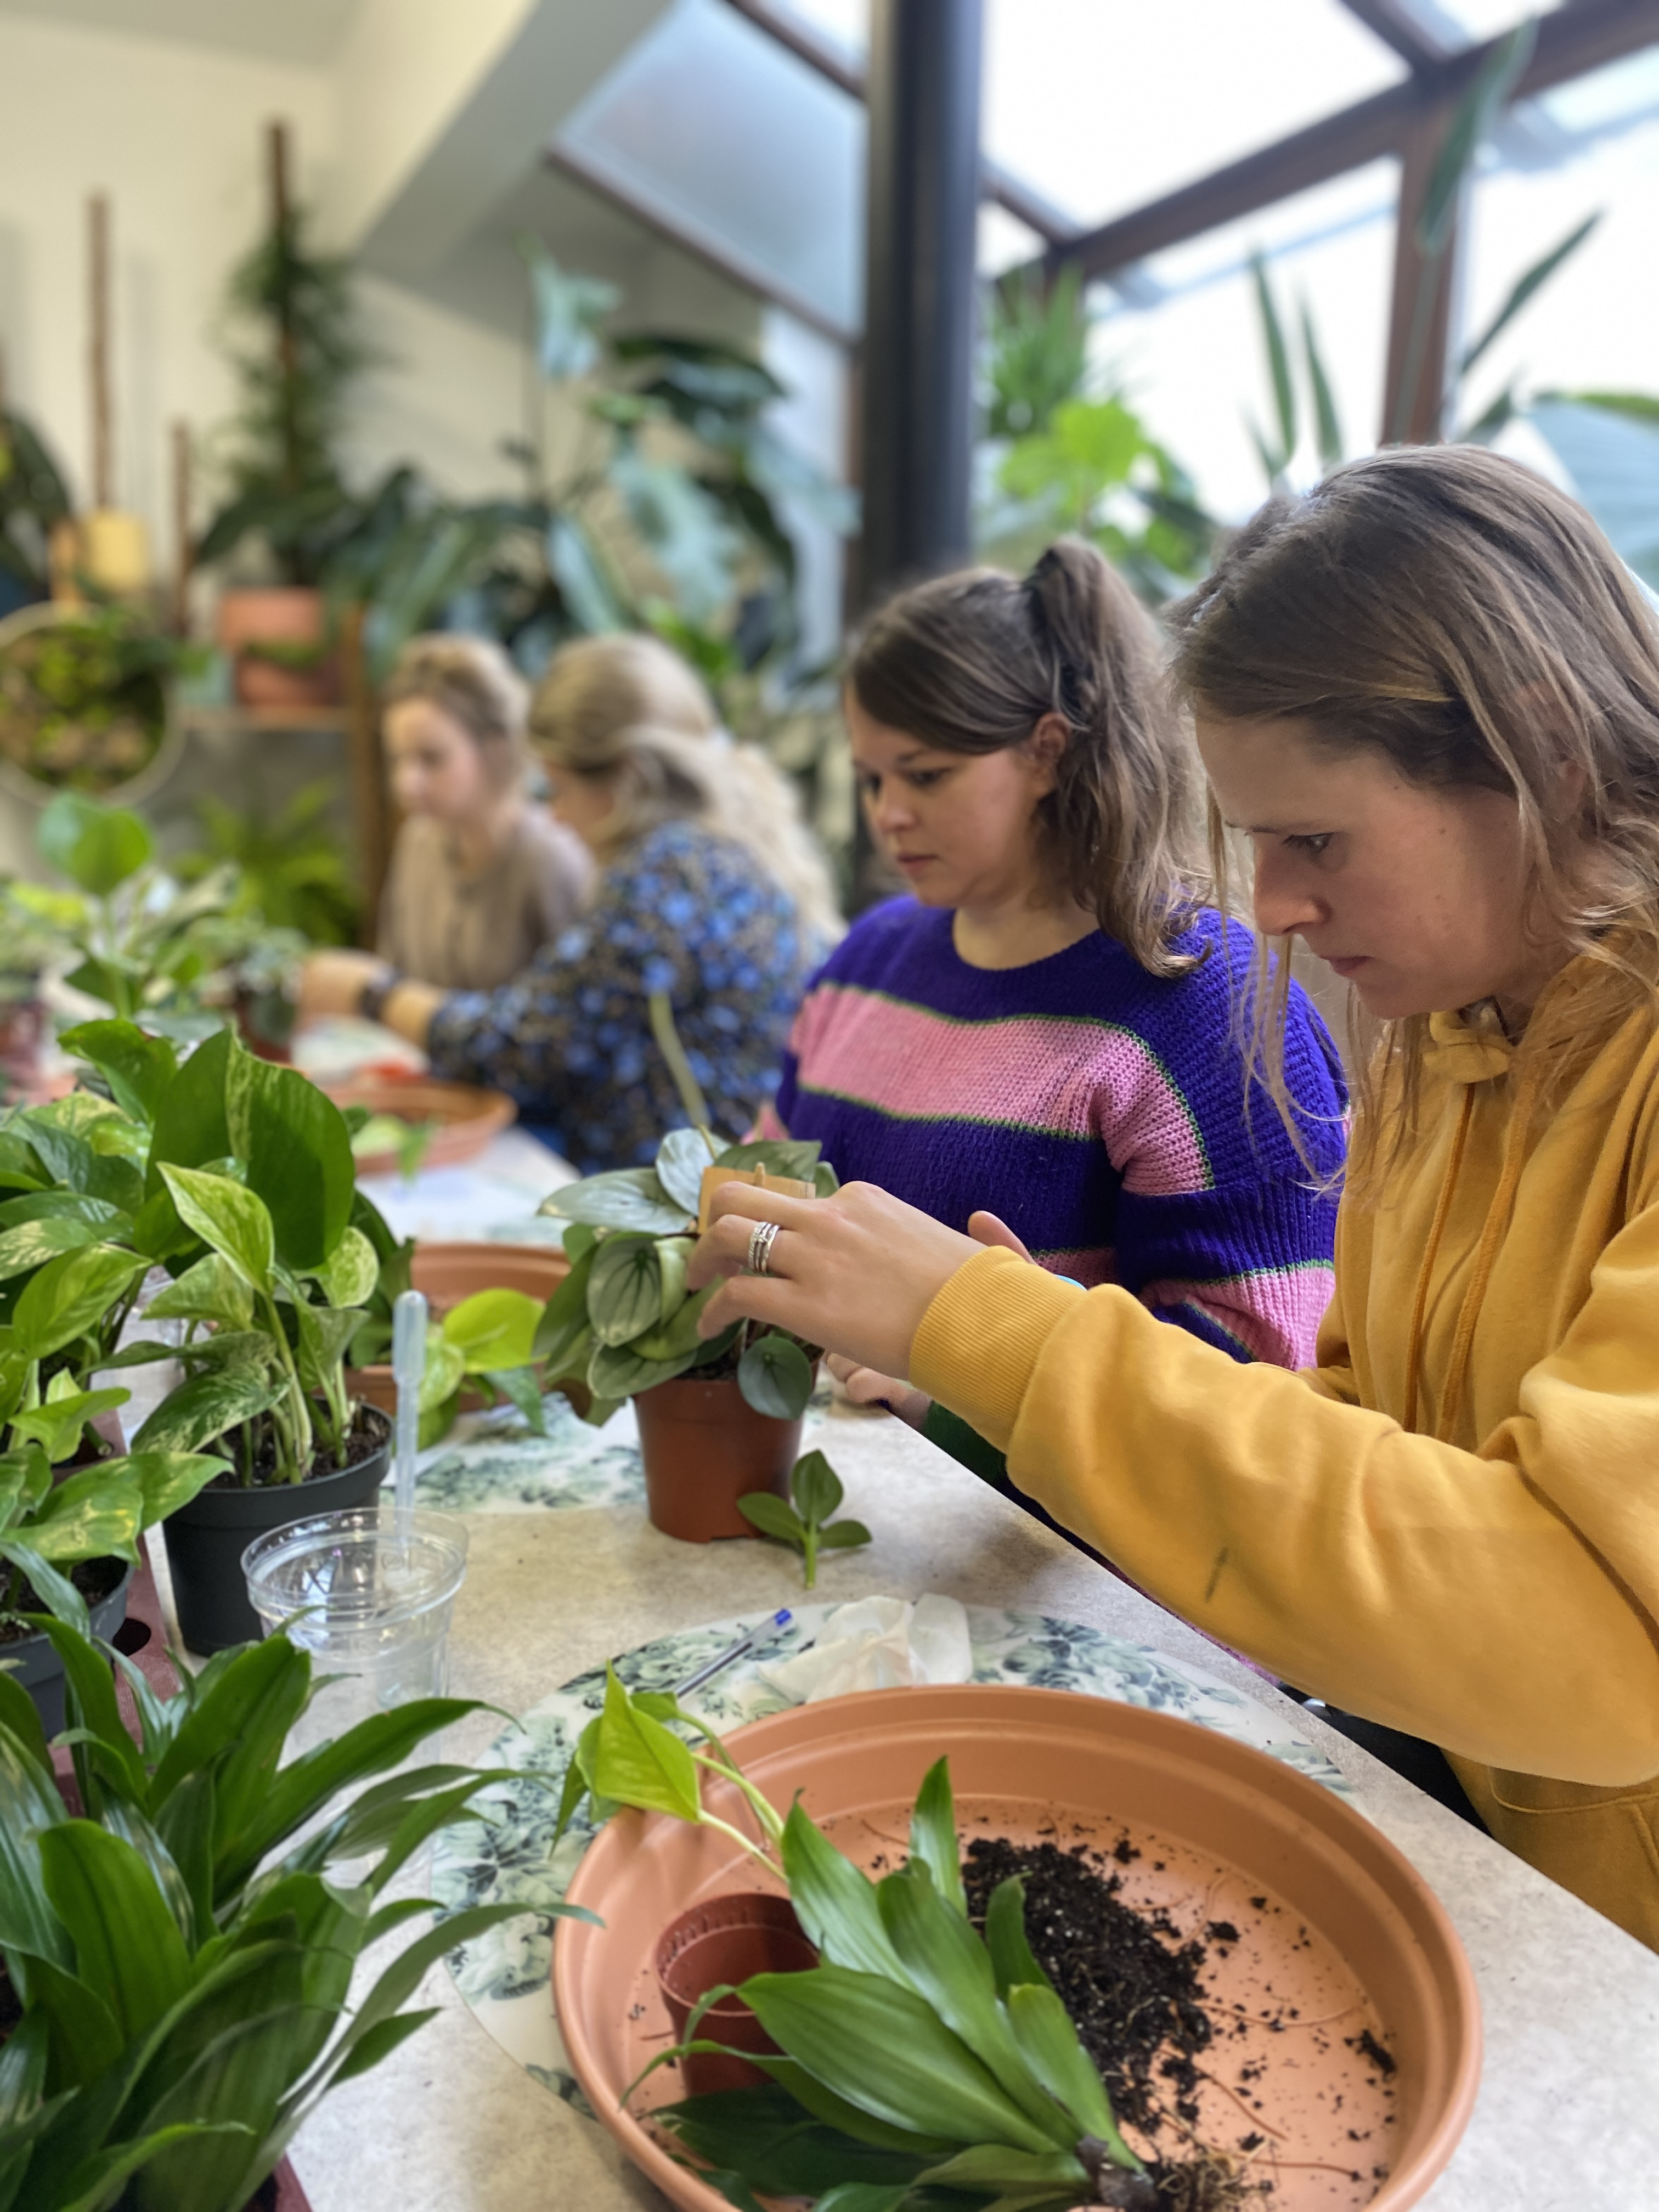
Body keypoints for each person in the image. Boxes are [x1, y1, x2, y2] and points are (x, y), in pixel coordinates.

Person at [689, 445, 1659, 1951]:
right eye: (1256, 841)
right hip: (1489, 1855)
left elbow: (1600, 1651)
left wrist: (1011, 1338)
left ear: (1540, 749)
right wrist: (1022, 1365)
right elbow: (1361, 1428)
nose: (1273, 903)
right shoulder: (1449, 1028)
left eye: (1314, 841)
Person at [763, 543, 1346, 1420]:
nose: (887, 813)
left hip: (1045, 1546)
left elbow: (1259, 1373)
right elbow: (770, 1186)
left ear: (1045, 752)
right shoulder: (867, 960)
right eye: (872, 777)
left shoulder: (1210, 1008)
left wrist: (973, 1391)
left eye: (926, 774)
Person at [299, 633, 839, 1172]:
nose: (555, 816)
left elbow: (520, 1045)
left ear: (628, 777)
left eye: (558, 789)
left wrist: (370, 992)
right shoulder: (712, 852)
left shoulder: (667, 877)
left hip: (686, 1201)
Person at [379, 634, 592, 990]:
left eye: (431, 759)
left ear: (495, 748)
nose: (406, 783)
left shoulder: (550, 860)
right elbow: (392, 978)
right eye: (397, 759)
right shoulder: (416, 842)